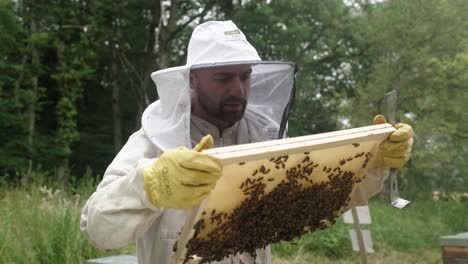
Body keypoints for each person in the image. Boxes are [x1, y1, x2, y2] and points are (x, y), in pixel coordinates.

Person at [80, 20, 413, 264]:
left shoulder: (263, 136)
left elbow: (321, 197)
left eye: (245, 76)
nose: (238, 90)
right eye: (224, 78)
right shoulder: (153, 141)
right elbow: (98, 231)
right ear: (193, 80)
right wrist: (149, 185)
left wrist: (373, 163)